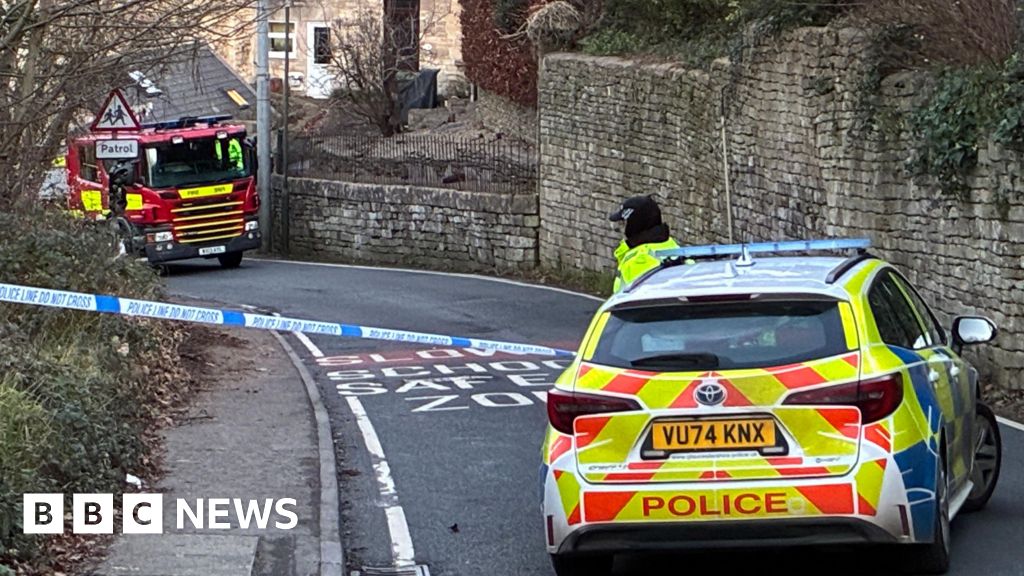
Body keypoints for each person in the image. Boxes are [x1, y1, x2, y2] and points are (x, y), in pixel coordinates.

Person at [609, 195, 681, 292]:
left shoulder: (638, 262)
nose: (618, 229)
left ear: (633, 225)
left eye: (624, 223)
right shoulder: (674, 248)